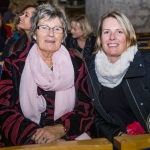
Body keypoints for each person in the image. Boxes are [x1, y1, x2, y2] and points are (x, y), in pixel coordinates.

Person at [0, 3, 94, 146]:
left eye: (57, 28)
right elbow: (4, 109)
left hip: (67, 137)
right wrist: (36, 135)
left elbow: (86, 107)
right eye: (44, 27)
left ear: (63, 36)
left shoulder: (77, 64)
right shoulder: (14, 63)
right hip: (25, 138)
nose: (51, 34)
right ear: (34, 33)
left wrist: (60, 129)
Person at [87, 11, 150, 142]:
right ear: (100, 38)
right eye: (106, 32)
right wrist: (118, 135)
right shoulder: (89, 69)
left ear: (128, 35)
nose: (112, 37)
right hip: (114, 141)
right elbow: (92, 117)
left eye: (119, 32)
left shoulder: (146, 64)